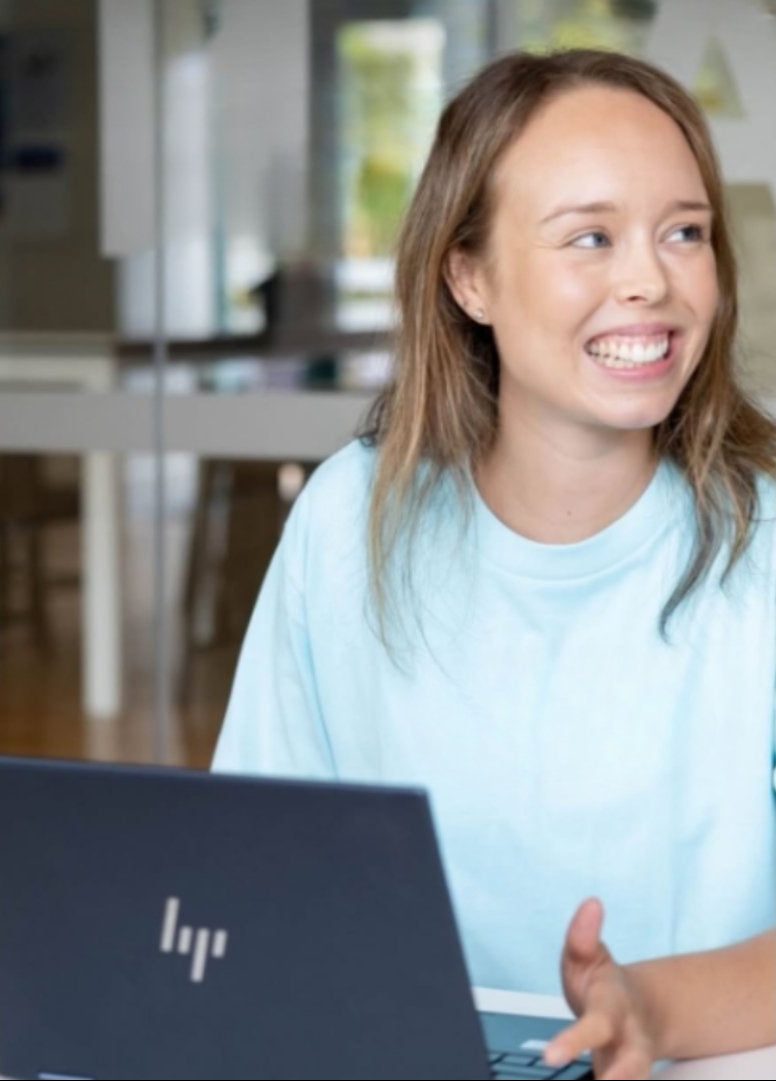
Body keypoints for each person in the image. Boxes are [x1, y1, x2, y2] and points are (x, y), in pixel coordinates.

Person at [213, 49, 776, 1079]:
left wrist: (649, 1008)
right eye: (589, 237)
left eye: (682, 232)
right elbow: (248, 875)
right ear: (467, 275)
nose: (648, 279)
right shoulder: (348, 519)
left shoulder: (767, 551)